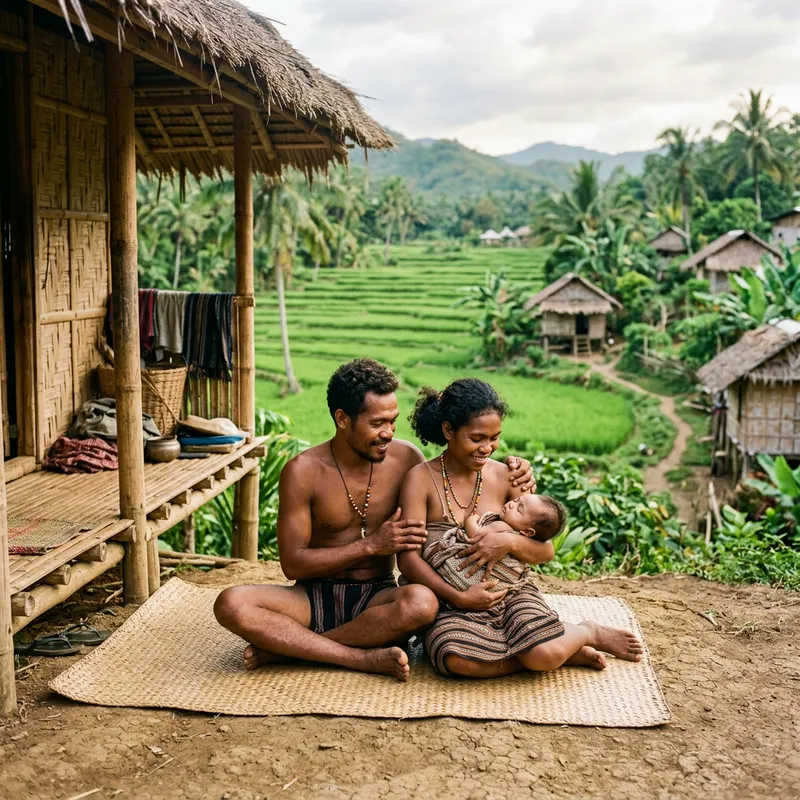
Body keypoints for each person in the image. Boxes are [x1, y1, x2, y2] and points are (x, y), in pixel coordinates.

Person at [214, 359, 536, 681]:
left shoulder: (406, 459)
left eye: (393, 421)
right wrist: (370, 546)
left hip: (378, 599)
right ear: (342, 419)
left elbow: (453, 488)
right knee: (231, 603)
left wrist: (517, 473)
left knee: (422, 604)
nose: (388, 433)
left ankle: (291, 648)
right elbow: (293, 565)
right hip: (311, 598)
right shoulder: (303, 471)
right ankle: (359, 658)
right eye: (377, 423)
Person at [398, 378, 644, 678]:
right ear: (449, 430)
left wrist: (508, 544)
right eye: (477, 438)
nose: (487, 447)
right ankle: (550, 655)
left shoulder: (505, 476)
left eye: (494, 437)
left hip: (510, 593)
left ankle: (585, 632)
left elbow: (545, 550)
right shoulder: (420, 479)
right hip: (451, 602)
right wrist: (460, 597)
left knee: (544, 652)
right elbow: (407, 559)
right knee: (456, 659)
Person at [426, 494, 567, 595]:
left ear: (528, 532)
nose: (512, 504)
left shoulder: (501, 526)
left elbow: (475, 535)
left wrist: (470, 519)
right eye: (517, 500)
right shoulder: (526, 537)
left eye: (519, 509)